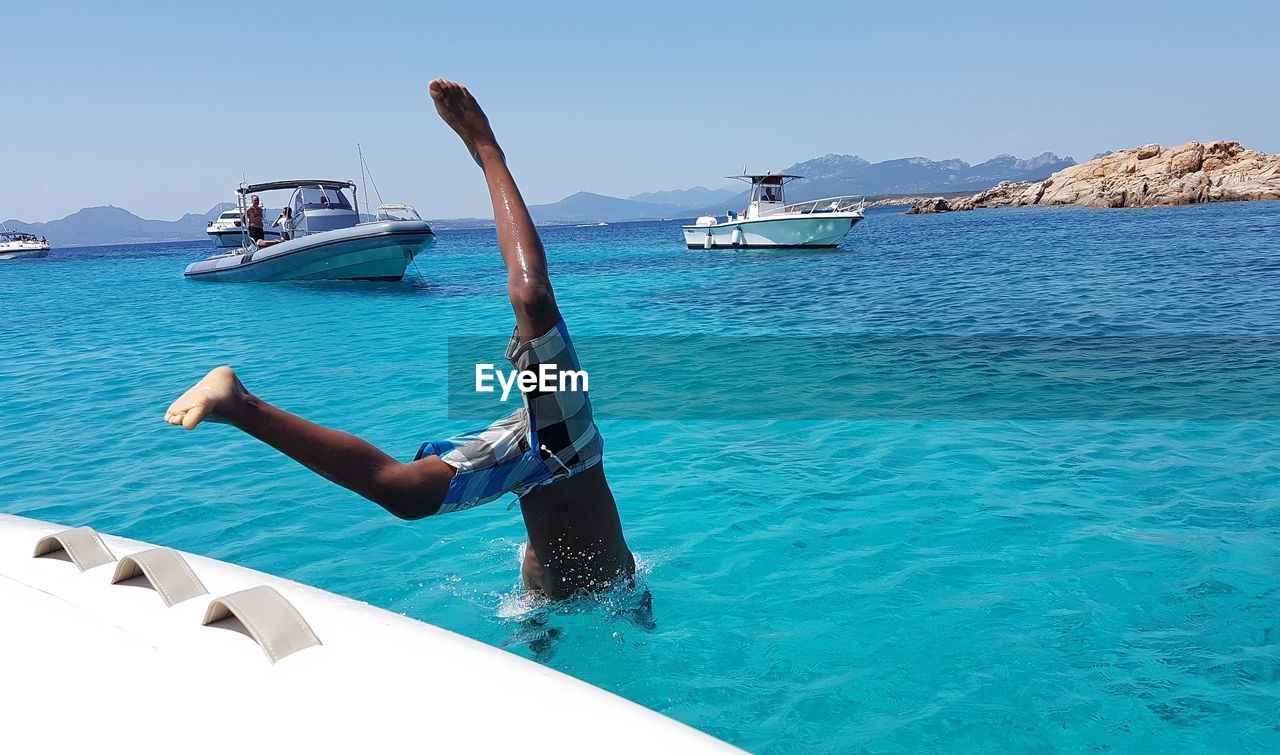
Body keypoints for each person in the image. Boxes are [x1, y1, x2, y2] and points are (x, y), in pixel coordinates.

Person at [164, 79, 634, 600]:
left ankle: (238, 404)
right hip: (566, 461)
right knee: (530, 296)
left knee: (404, 494)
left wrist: (533, 612)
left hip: (558, 544)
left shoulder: (548, 493)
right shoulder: (565, 431)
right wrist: (484, 146)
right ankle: (485, 147)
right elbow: (532, 294)